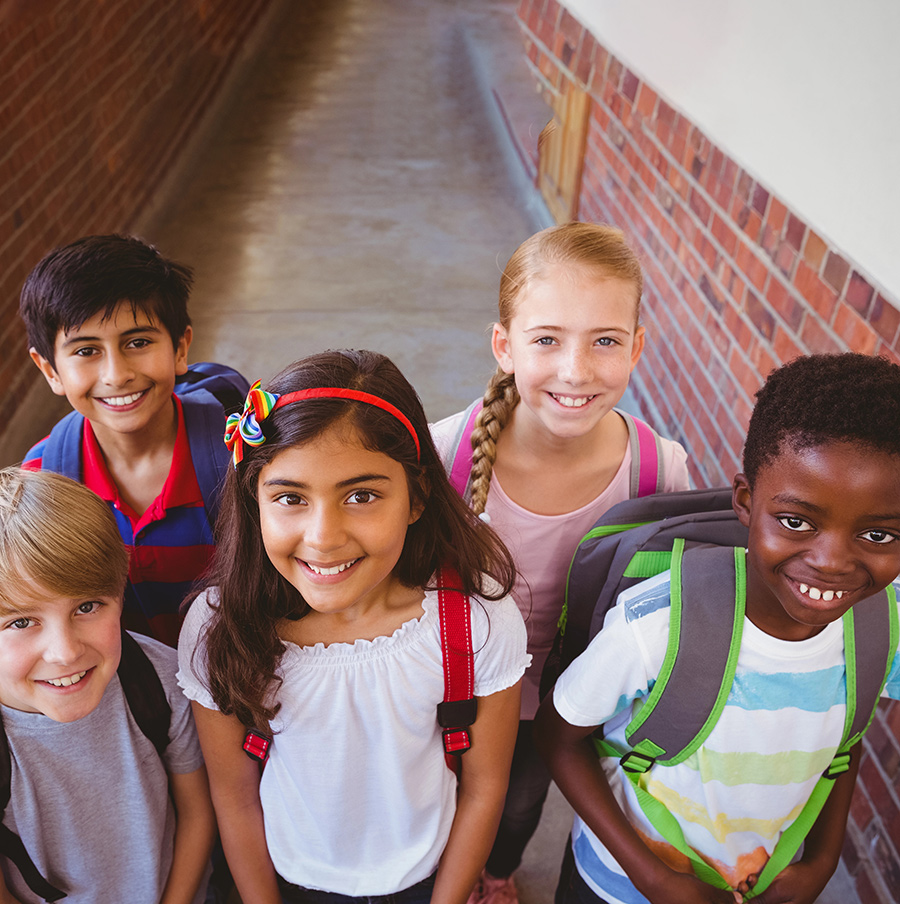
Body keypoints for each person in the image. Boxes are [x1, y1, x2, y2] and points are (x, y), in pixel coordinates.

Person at [535, 352, 900, 904]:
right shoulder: (658, 625)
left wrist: (821, 862)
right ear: (746, 501)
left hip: (763, 883)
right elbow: (559, 740)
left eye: (877, 536)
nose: (831, 562)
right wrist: (652, 877)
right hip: (617, 886)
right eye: (797, 521)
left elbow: (840, 743)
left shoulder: (883, 629)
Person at [177, 349, 530, 904]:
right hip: (286, 879)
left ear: (417, 498)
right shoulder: (221, 627)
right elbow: (234, 797)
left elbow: (485, 788)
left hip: (429, 880)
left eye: (361, 495)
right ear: (255, 501)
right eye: (290, 498)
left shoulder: (476, 622)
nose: (323, 536)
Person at [430, 222, 690, 903]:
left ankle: (497, 872)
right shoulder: (443, 454)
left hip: (563, 701)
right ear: (504, 346)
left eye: (605, 341)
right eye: (547, 339)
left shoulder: (659, 470)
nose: (576, 370)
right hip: (447, 689)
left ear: (636, 348)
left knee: (518, 805)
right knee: (438, 796)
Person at [19, 234, 247, 646]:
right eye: (86, 351)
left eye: (138, 343)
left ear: (180, 349)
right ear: (50, 369)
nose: (116, 374)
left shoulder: (241, 452)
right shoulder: (42, 484)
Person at [0, 467, 215, 904]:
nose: (64, 652)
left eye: (87, 606)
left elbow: (197, 813)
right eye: (22, 621)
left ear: (119, 594)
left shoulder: (159, 680)